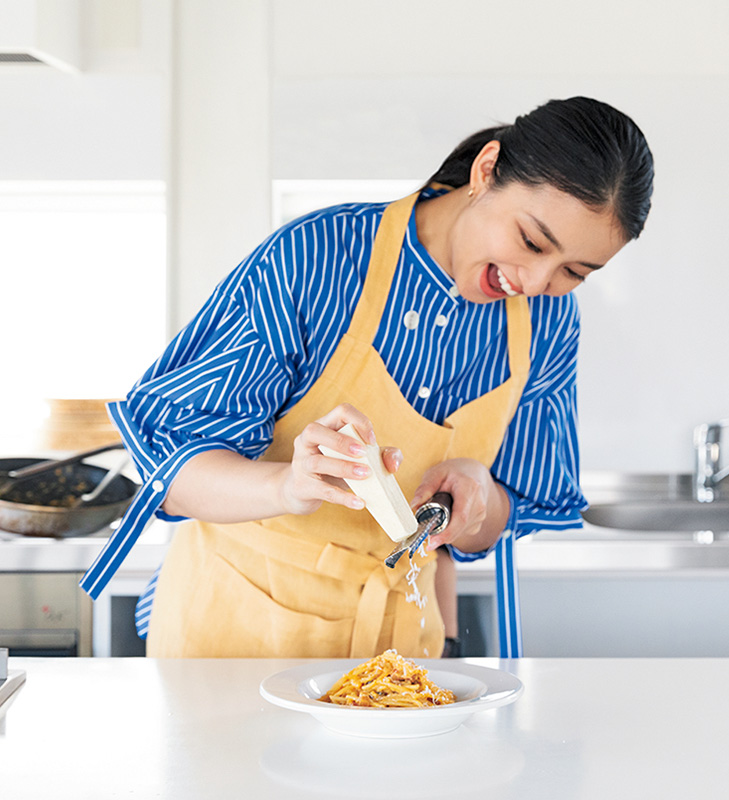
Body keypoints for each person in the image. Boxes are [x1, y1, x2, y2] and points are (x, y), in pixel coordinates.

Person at [81, 96, 654, 659]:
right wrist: (286, 485)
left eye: (573, 272)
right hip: (233, 638)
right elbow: (171, 472)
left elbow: (515, 509)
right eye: (531, 242)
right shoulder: (318, 258)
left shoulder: (547, 323)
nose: (534, 281)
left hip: (399, 654)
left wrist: (480, 501)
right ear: (486, 171)